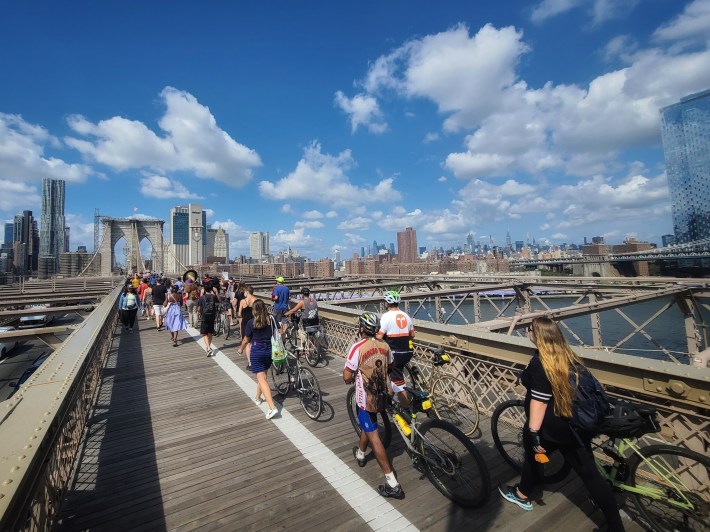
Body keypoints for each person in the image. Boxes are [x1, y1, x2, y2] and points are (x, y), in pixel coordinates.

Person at [498, 317, 625, 531]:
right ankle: (616, 526)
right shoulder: (567, 355)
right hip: (575, 423)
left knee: (534, 453)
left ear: (536, 335)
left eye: (528, 329)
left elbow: (538, 403)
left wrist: (533, 431)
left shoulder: (540, 363)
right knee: (590, 474)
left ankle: (522, 494)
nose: (527, 332)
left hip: (553, 427)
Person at [343, 312, 403, 500]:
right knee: (368, 426)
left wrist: (354, 375)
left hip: (366, 400)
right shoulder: (385, 346)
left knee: (374, 436)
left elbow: (346, 376)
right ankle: (361, 454)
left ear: (361, 328)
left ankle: (392, 483)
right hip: (382, 395)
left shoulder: (357, 347)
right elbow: (392, 365)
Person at [238, 299, 280, 420]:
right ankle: (257, 398)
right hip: (269, 350)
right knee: (263, 377)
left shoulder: (251, 322)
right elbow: (280, 332)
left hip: (257, 350)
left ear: (254, 310)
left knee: (261, 378)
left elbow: (246, 339)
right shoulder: (271, 319)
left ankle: (272, 407)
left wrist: (241, 349)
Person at [376, 291, 415, 407]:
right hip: (407, 352)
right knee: (395, 376)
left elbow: (379, 336)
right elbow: (412, 335)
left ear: (386, 303)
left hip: (394, 354)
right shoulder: (406, 316)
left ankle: (407, 412)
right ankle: (389, 399)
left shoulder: (386, 316)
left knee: (398, 383)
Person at [197, 279, 220, 356]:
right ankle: (208, 347)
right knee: (210, 332)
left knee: (204, 333)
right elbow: (218, 301)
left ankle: (208, 347)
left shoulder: (202, 298)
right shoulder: (213, 297)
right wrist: (215, 292)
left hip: (205, 316)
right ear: (211, 289)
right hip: (212, 315)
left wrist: (199, 314)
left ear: (204, 289)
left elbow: (199, 308)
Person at [237, 286, 255, 368]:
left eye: (245, 292)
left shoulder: (242, 301)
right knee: (253, 341)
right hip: (254, 322)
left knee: (247, 342)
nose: (244, 293)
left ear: (247, 292)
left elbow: (239, 314)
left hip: (245, 323)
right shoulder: (256, 300)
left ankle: (250, 362)